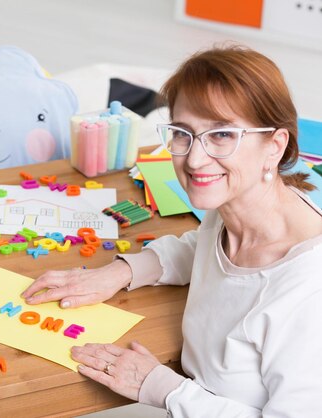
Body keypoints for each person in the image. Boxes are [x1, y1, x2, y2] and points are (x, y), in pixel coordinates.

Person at [22, 45, 322, 416]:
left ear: (275, 146)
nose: (194, 159)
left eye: (223, 135)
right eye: (183, 133)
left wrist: (165, 388)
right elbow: (203, 247)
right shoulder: (236, 208)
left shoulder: (308, 292)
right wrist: (121, 270)